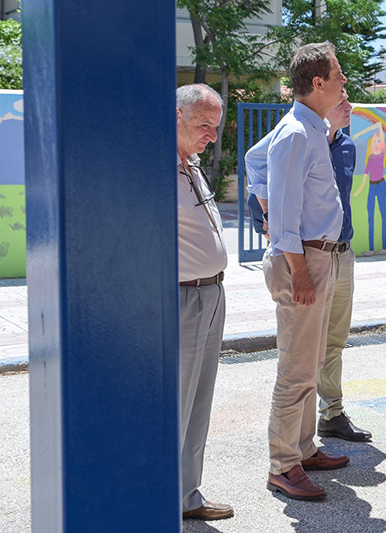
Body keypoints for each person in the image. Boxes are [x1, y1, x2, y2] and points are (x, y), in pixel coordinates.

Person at [244, 94, 373, 443]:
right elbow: (255, 160)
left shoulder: (347, 146)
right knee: (300, 358)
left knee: (333, 341)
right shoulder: (298, 133)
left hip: (340, 252)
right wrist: (267, 214)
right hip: (307, 255)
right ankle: (290, 452)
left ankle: (330, 414)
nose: (349, 106)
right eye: (342, 100)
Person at [261, 43, 350, 502]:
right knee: (296, 368)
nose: (344, 82)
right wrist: (299, 271)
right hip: (304, 261)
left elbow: (255, 163)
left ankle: (303, 448)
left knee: (310, 363)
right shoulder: (296, 133)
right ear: (317, 83)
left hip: (319, 257)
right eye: (338, 74)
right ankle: (283, 465)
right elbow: (283, 215)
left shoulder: (312, 128)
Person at [175, 84, 233, 521]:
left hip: (211, 293)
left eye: (215, 126)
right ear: (176, 116)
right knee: (177, 403)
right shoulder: (154, 169)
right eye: (203, 125)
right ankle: (163, 500)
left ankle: (186, 495)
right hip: (183, 297)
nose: (211, 135)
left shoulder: (190, 165)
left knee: (199, 401)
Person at [351, 122, 386, 253]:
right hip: (372, 187)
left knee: (383, 215)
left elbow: (381, 132)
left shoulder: (382, 155)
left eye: (378, 141)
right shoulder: (370, 158)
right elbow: (365, 176)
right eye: (374, 141)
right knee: (370, 217)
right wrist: (358, 191)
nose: (376, 143)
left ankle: (384, 247)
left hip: (382, 185)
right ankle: (371, 249)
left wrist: (378, 127)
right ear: (370, 144)